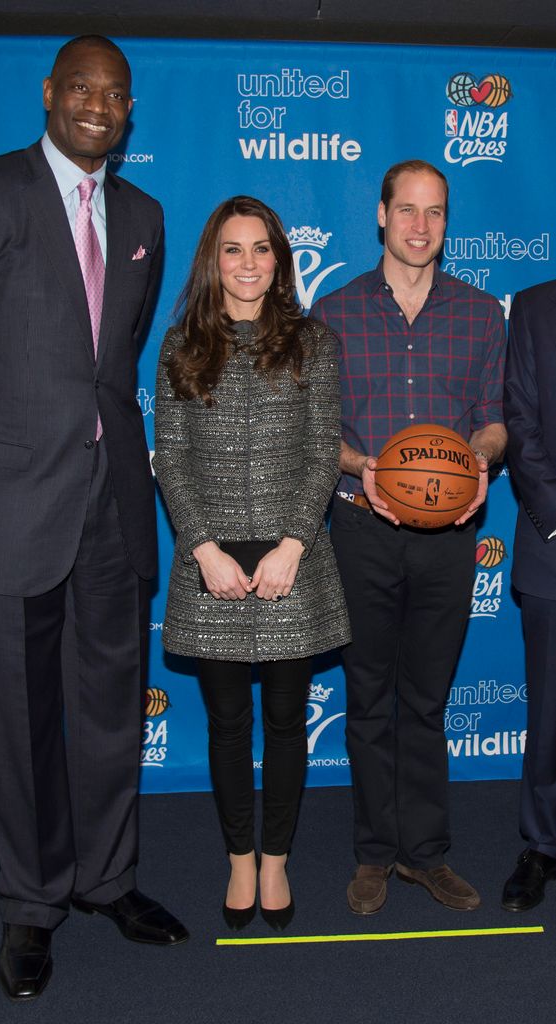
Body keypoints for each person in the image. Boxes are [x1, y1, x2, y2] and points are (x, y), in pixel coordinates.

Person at [0, 35, 187, 1002]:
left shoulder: (144, 213)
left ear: (128, 108)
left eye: (115, 94)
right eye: (82, 88)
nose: (98, 105)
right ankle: (30, 902)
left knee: (110, 710)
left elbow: (114, 370)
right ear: (49, 94)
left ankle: (107, 878)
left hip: (113, 507)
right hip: (12, 506)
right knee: (24, 720)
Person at [311, 159, 507, 915]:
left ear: (444, 222)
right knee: (367, 698)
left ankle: (424, 855)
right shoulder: (332, 313)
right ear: (381, 216)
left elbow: (491, 421)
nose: (420, 226)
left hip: (449, 536)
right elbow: (315, 431)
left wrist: (478, 461)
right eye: (407, 210)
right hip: (360, 528)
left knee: (425, 701)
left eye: (435, 212)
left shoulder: (480, 314)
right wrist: (368, 468)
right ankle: (372, 854)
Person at [154, 196, 350, 932]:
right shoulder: (180, 347)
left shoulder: (314, 343)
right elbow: (169, 459)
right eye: (232, 250)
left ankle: (277, 858)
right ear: (213, 260)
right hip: (211, 567)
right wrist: (202, 550)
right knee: (228, 724)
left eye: (260, 249)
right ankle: (239, 859)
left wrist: (293, 546)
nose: (247, 264)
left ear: (279, 260)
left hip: (289, 563)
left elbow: (319, 451)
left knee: (286, 722)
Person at [502, 280, 556, 911]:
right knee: (549, 715)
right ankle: (544, 844)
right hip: (553, 544)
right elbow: (520, 416)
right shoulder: (536, 306)